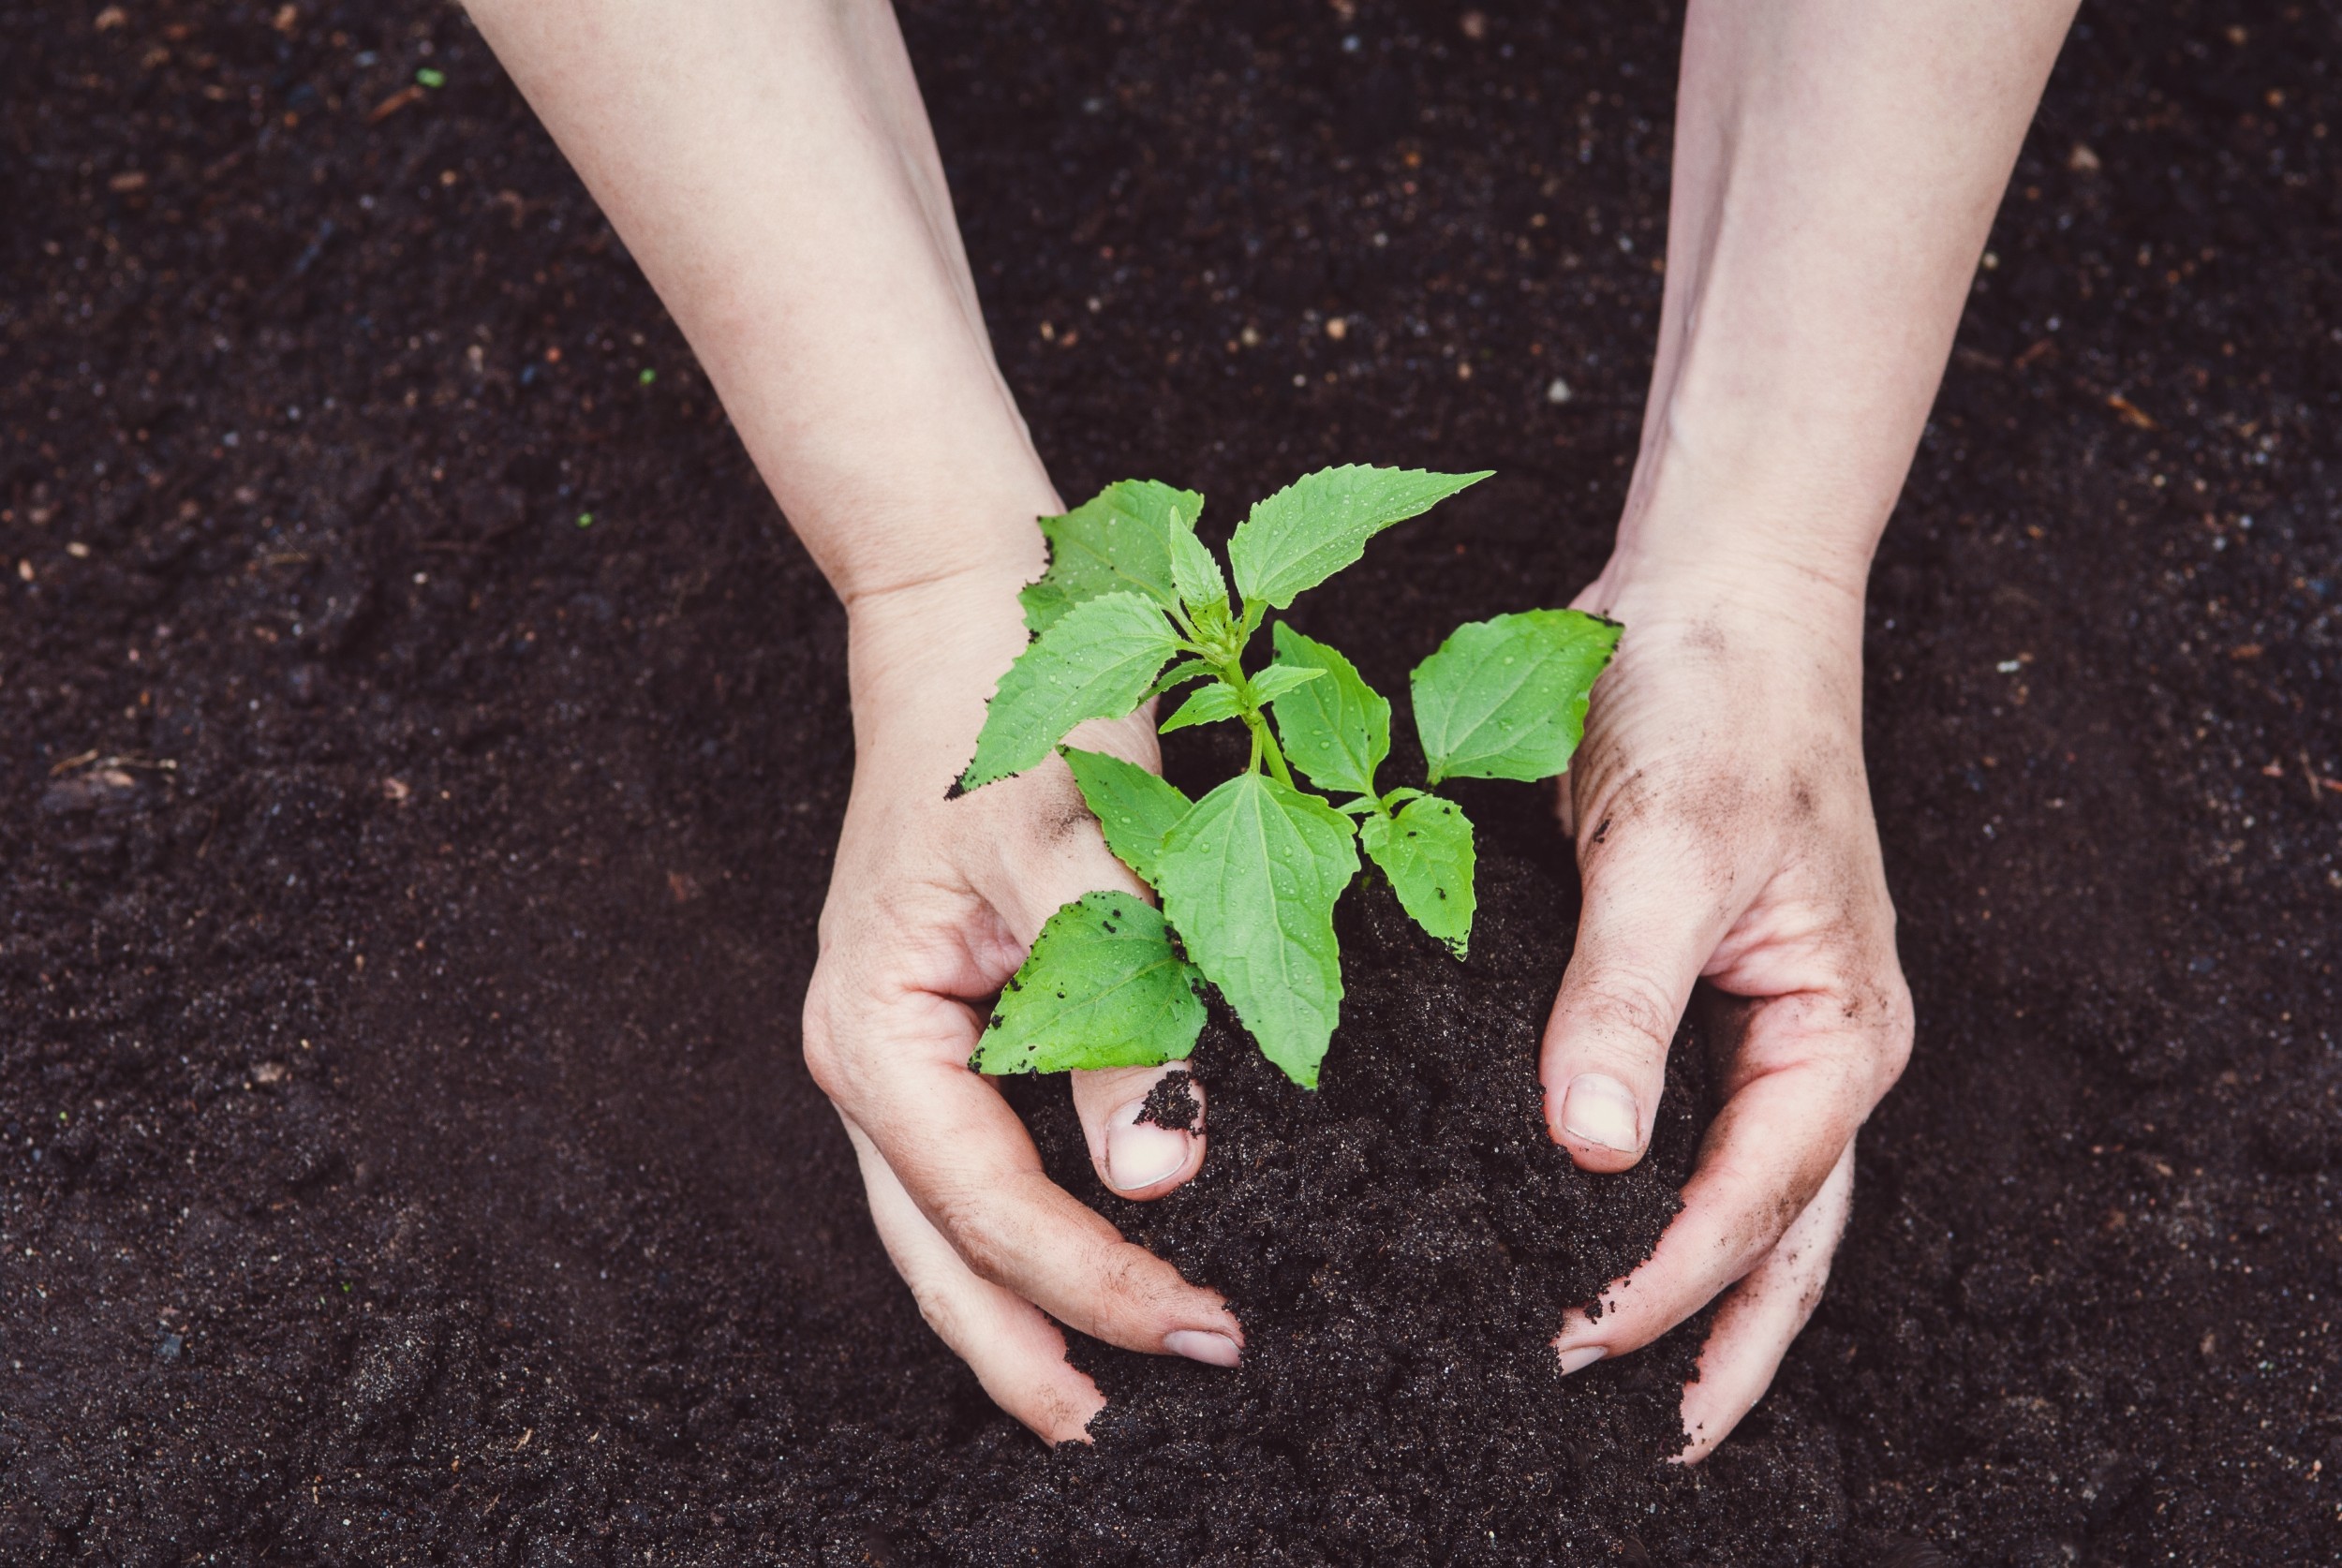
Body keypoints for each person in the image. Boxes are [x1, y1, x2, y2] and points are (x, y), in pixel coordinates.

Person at [463, 0, 2080, 1458]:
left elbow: (1366, 880)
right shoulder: (1273, 754)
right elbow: (1281, 933)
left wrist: (1763, 578)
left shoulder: (1372, 778)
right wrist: (939, 580)